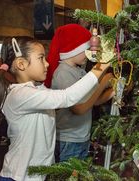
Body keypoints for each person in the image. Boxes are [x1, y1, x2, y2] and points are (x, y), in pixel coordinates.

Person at [0, 36, 110, 181]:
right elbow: (67, 97)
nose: (47, 64)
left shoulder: (37, 89)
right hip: (19, 177)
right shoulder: (20, 94)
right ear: (21, 64)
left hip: (36, 176)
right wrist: (101, 67)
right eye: (41, 58)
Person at [45, 24, 115, 162]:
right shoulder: (63, 73)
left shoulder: (79, 71)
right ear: (73, 50)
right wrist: (102, 82)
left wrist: (113, 91)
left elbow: (92, 101)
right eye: (86, 49)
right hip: (68, 140)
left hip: (81, 137)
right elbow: (79, 108)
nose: (89, 53)